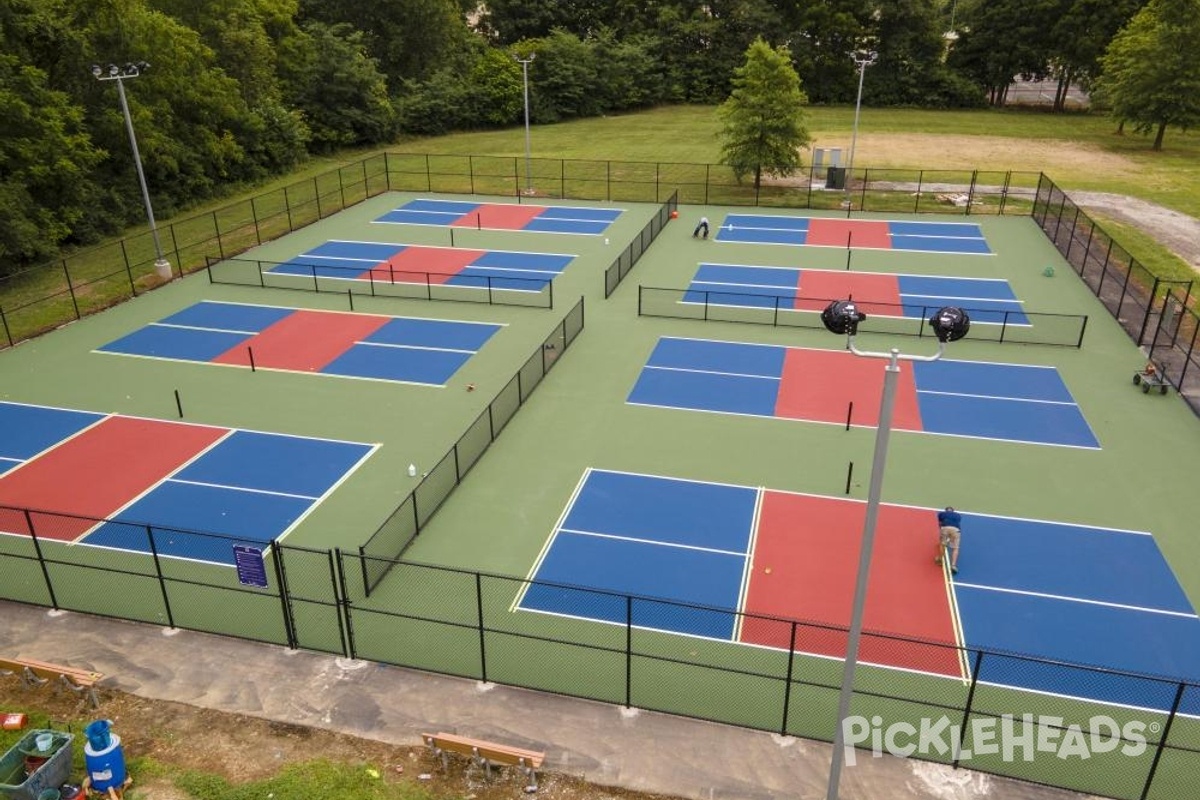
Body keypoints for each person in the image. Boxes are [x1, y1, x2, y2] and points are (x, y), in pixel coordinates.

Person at [935, 506, 962, 574]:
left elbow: (940, 523)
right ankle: (953, 565)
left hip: (945, 528)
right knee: (955, 548)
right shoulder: (958, 515)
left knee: (942, 544)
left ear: (946, 510)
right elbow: (956, 523)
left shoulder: (942, 514)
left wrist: (941, 532)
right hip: (956, 530)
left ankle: (940, 559)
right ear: (953, 511)